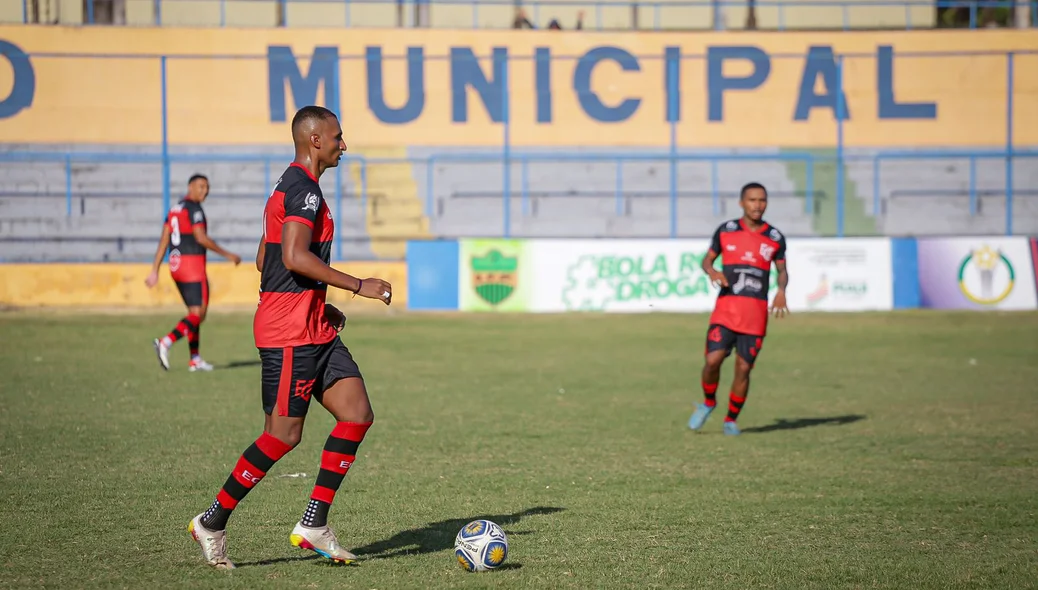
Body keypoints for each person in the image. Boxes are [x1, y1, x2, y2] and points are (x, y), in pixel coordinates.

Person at [187, 105, 394, 570]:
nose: (345, 144)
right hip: (289, 334)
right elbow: (295, 256)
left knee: (357, 413)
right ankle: (213, 521)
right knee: (282, 436)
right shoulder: (303, 192)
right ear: (315, 140)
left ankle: (314, 522)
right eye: (338, 137)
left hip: (313, 325)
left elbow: (267, 257)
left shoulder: (289, 186)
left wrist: (319, 299)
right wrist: (358, 285)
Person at [688, 182, 789, 436]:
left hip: (755, 316)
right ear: (742, 203)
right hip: (726, 310)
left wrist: (781, 291)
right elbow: (707, 260)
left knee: (743, 368)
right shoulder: (726, 231)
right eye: (753, 200)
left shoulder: (775, 238)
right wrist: (712, 271)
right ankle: (708, 402)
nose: (758, 205)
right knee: (712, 361)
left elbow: (782, 270)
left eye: (762, 200)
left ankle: (731, 420)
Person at [146, 174, 241, 372]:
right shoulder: (194, 209)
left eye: (207, 187)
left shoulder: (174, 209)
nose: (204, 191)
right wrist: (228, 254)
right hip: (192, 266)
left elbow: (164, 240)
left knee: (193, 314)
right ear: (190, 186)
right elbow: (201, 238)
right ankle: (166, 342)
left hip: (176, 265)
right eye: (201, 186)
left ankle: (194, 359)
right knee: (199, 314)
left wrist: (155, 270)